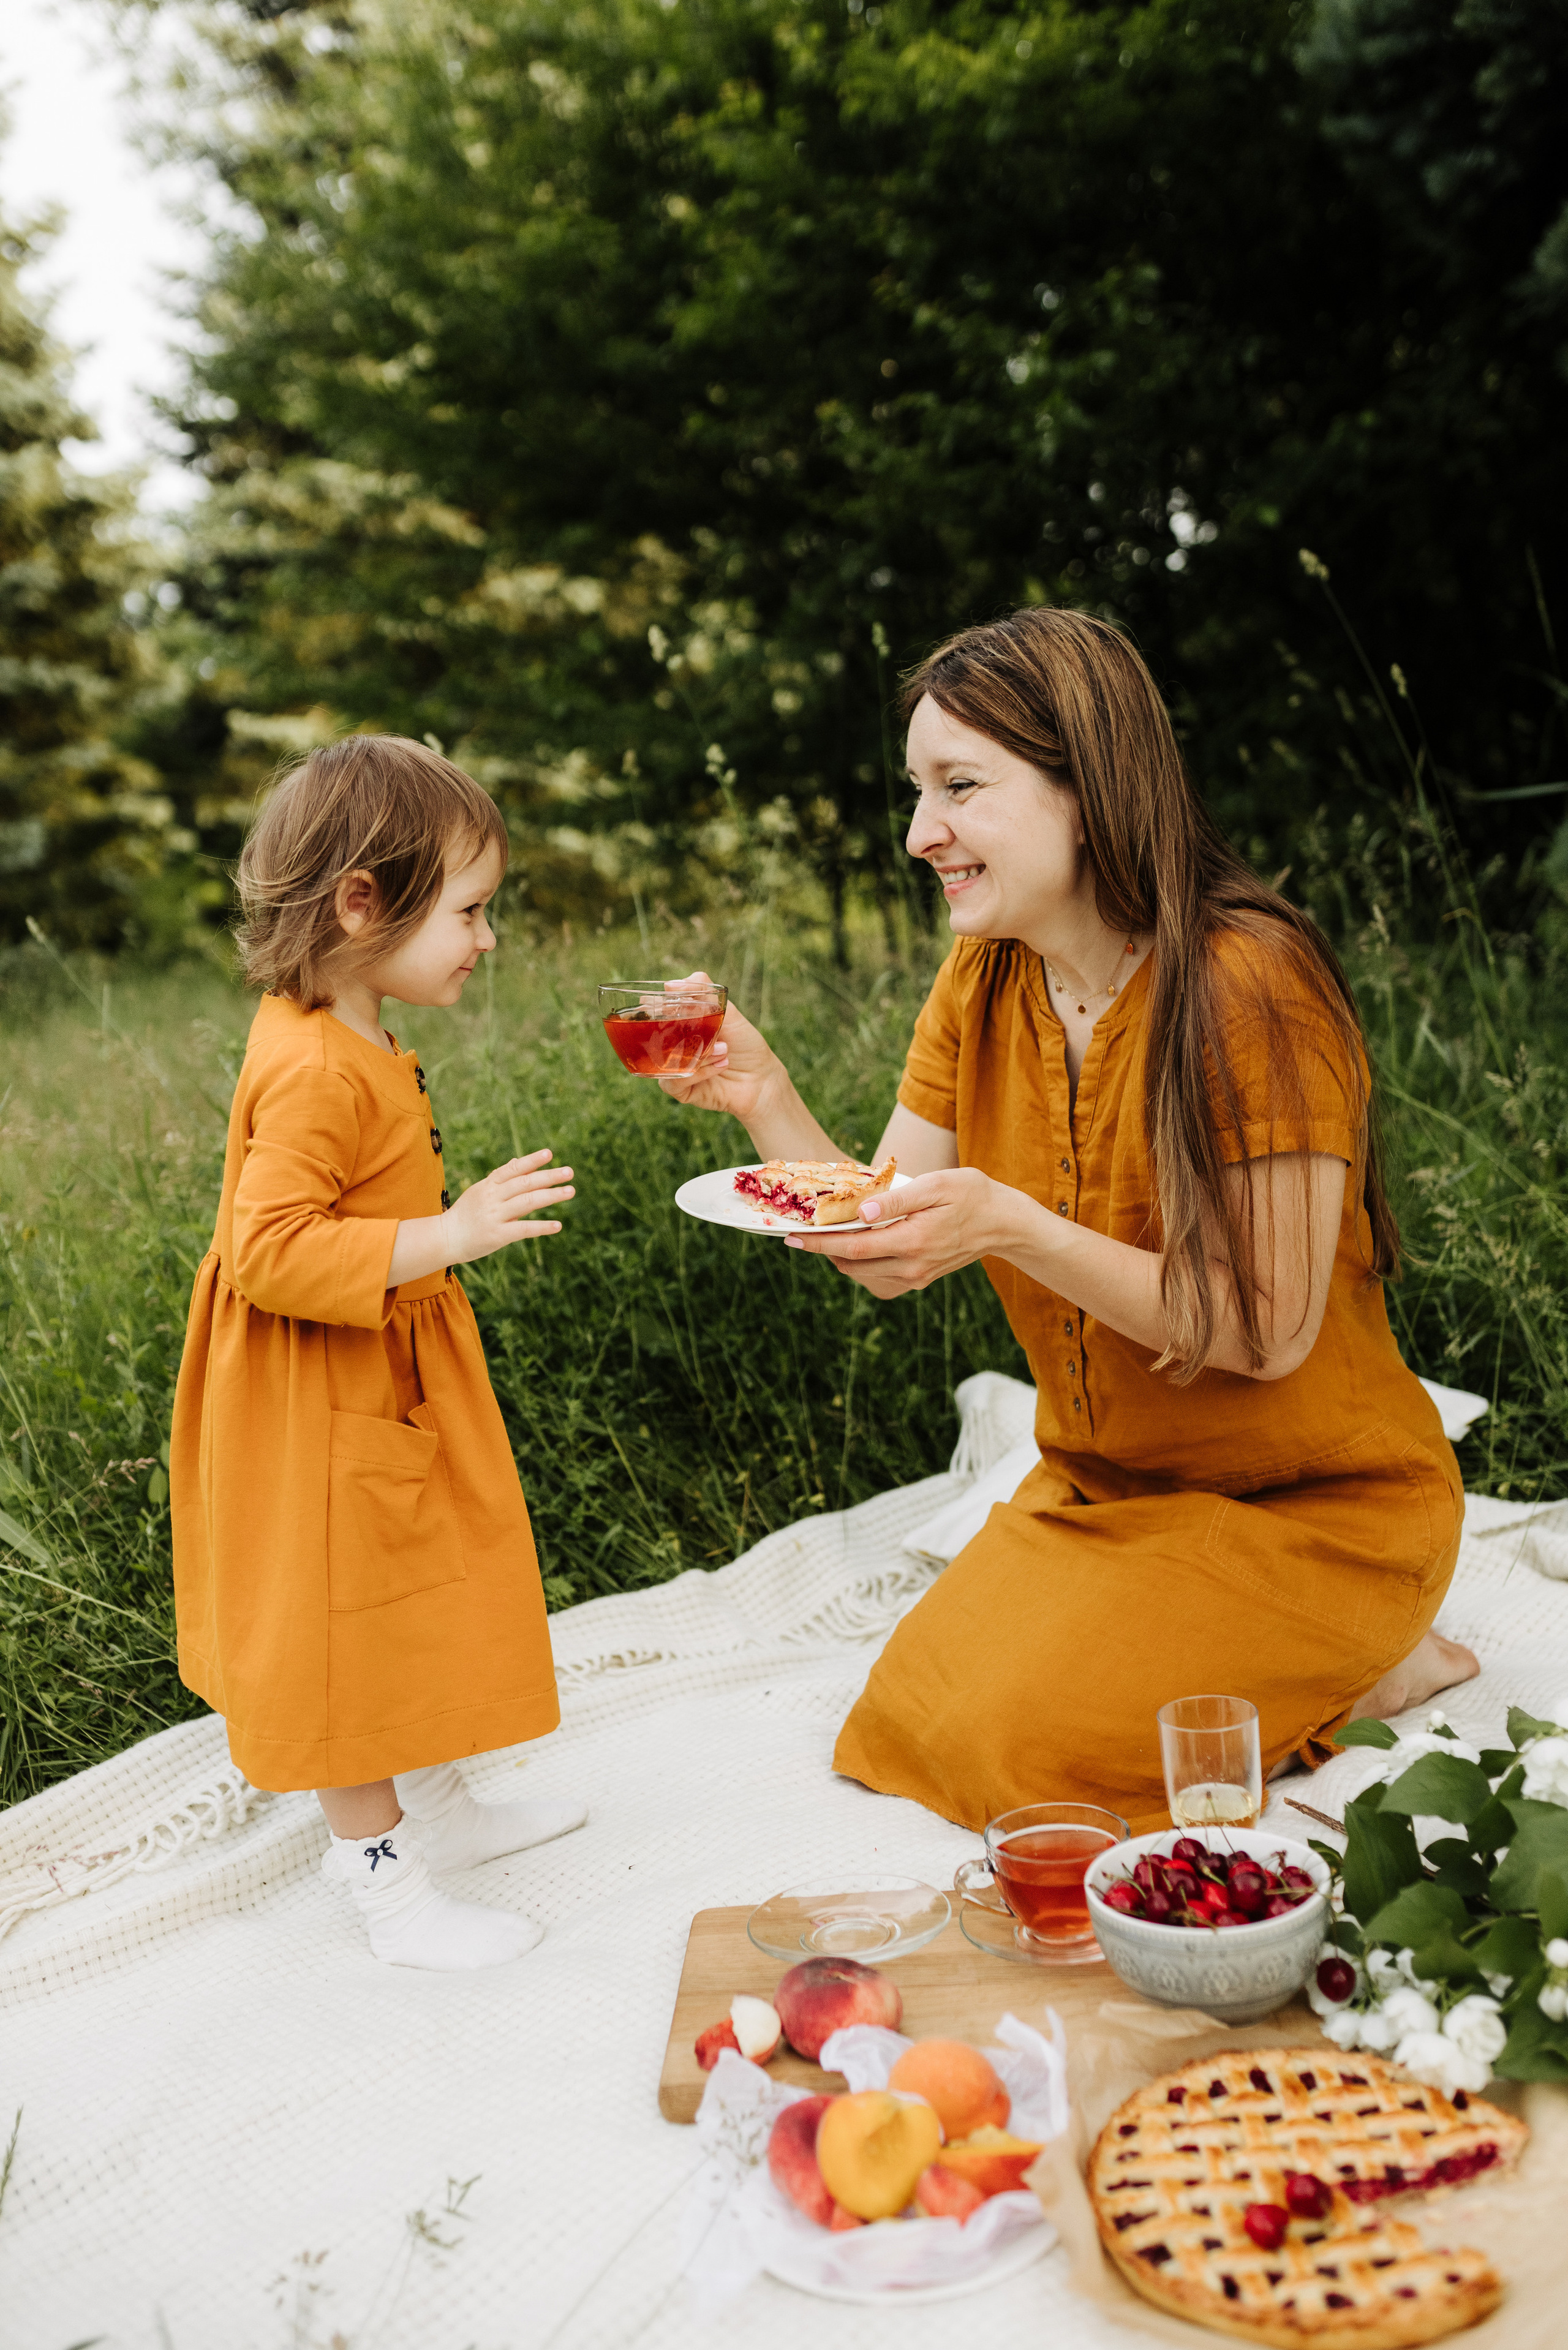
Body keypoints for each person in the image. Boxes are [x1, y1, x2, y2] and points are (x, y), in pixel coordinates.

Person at [660, 607, 1478, 1833]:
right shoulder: (983, 973)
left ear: (1087, 790)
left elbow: (1263, 1334)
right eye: (916, 791)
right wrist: (763, 1096)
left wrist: (1012, 1225)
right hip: (1101, 1491)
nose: (919, 833)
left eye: (959, 787)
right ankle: (1267, 1658)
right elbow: (884, 1250)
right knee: (907, 1718)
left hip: (1314, 1511)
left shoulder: (1251, 984)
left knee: (1019, 1754)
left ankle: (1384, 1655)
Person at [170, 736, 582, 1965]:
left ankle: (439, 1800)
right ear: (361, 903)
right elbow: (268, 1251)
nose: (486, 938)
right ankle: (382, 1879)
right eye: (469, 911)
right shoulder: (314, 1070)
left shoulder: (347, 1028)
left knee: (419, 1583)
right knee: (343, 1628)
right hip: (319, 1395)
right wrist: (449, 1234)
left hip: (378, 1371)